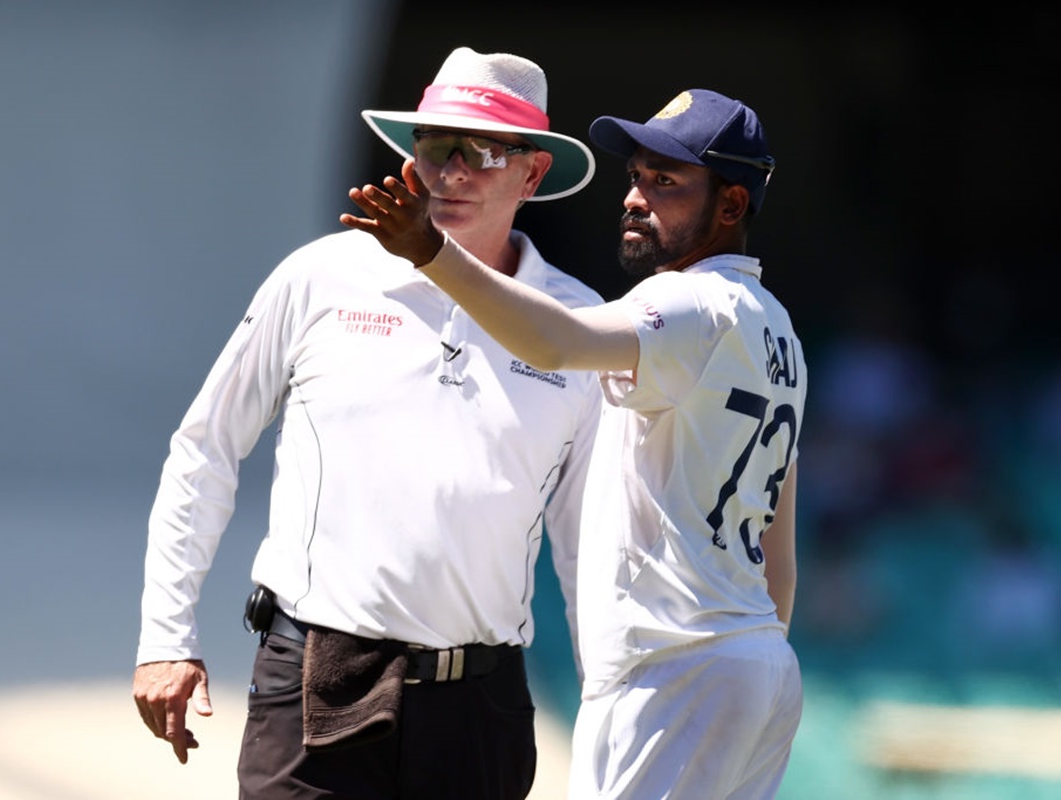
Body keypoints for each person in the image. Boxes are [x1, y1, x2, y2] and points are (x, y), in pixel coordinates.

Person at [133, 46, 605, 800]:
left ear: (533, 173)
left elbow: (590, 544)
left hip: (481, 708)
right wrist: (164, 638)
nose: (451, 171)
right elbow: (206, 448)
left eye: (479, 150)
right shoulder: (321, 275)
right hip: (312, 681)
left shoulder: (579, 327)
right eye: (433, 146)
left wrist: (604, 718)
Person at [342, 88, 807, 799]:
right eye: (636, 176)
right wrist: (748, 659)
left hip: (675, 665)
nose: (635, 197)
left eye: (666, 182)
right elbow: (780, 563)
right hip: (758, 665)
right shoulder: (779, 332)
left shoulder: (686, 302)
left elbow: (556, 342)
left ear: (732, 206)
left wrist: (433, 252)